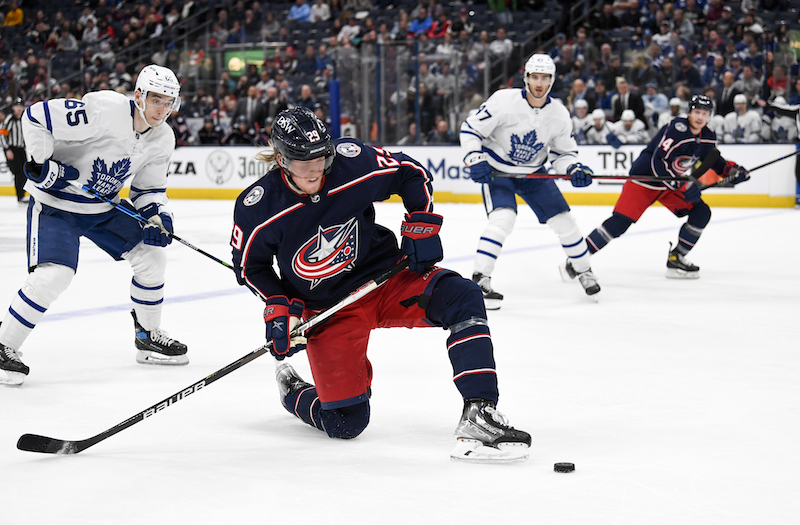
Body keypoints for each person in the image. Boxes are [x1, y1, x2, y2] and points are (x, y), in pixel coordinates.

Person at [230, 106, 531, 462]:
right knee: (344, 422)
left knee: (463, 296)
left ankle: (480, 411)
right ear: (280, 159)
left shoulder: (350, 163)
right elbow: (250, 267)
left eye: (321, 159)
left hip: (387, 280)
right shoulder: (258, 207)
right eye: (302, 162)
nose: (315, 170)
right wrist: (279, 306)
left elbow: (410, 173)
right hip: (328, 310)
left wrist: (421, 222)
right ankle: (294, 391)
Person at [0, 65, 189, 387]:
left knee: (152, 257)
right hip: (56, 206)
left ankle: (147, 335)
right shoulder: (106, 109)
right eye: (156, 99)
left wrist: (157, 217)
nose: (163, 109)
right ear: (139, 95)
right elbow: (35, 116)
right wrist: (40, 164)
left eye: (169, 102)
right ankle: (5, 344)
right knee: (54, 275)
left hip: (103, 207)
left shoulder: (163, 137)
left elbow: (148, 190)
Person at [460, 53, 600, 308]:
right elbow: (471, 129)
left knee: (565, 221)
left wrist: (574, 168)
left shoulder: (559, 113)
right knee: (503, 219)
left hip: (534, 173)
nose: (539, 82)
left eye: (544, 77)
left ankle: (583, 270)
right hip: (498, 172)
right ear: (526, 78)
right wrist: (473, 157)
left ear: (552, 80)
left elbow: (563, 154)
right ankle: (480, 279)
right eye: (534, 77)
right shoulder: (504, 100)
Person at [585, 95, 750, 279]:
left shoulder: (707, 136)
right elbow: (658, 161)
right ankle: (579, 259)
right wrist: (680, 184)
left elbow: (714, 161)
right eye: (697, 112)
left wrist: (733, 170)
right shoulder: (677, 129)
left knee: (701, 212)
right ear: (689, 112)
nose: (700, 117)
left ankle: (676, 258)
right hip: (644, 180)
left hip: (670, 183)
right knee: (619, 224)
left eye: (705, 113)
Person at [1, 98, 28, 203]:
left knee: (25, 172)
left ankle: (21, 194)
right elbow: (2, 134)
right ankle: (20, 196)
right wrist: (7, 149)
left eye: (21, 106)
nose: (19, 108)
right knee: (18, 173)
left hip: (21, 149)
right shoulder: (9, 119)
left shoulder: (24, 119)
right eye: (17, 106)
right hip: (12, 148)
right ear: (13, 108)